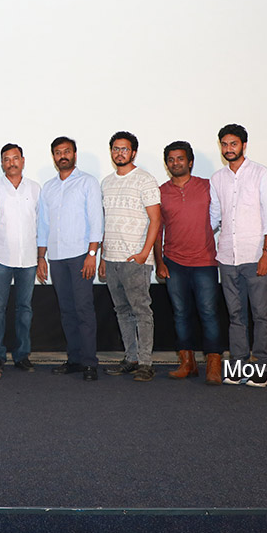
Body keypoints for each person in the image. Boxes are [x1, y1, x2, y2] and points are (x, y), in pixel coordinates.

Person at [209, 125, 267, 387]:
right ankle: (238, 366)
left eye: (234, 144)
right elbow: (215, 217)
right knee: (235, 315)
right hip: (227, 257)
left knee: (260, 315)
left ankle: (262, 367)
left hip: (255, 255)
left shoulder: (261, 173)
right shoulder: (217, 178)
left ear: (244, 145)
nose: (229, 149)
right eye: (225, 144)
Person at [155, 142, 226, 385]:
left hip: (204, 261)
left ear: (190, 162)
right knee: (180, 313)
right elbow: (157, 230)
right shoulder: (161, 191)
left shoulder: (207, 186)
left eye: (180, 158)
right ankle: (187, 362)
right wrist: (159, 262)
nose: (176, 163)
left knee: (209, 312)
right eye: (171, 159)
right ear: (167, 164)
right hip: (173, 262)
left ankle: (214, 364)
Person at [38, 136, 104, 381]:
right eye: (58, 152)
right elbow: (43, 225)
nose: (62, 156)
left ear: (75, 155)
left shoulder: (88, 182)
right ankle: (74, 359)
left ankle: (89, 363)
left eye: (66, 151)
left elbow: (97, 220)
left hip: (80, 256)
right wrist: (41, 257)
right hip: (56, 257)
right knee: (66, 311)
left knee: (83, 309)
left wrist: (92, 254)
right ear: (53, 157)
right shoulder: (48, 187)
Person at [99, 131, 161, 382]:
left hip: (135, 259)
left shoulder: (145, 180)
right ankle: (131, 358)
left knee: (141, 311)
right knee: (122, 311)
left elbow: (156, 220)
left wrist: (144, 253)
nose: (119, 153)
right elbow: (106, 221)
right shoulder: (106, 182)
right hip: (111, 258)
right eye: (115, 149)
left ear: (133, 152)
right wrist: (103, 256)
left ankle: (146, 362)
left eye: (124, 149)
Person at [0, 143, 40, 372]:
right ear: (2, 163)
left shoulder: (35, 189)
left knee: (24, 309)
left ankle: (22, 355)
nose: (12, 163)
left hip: (28, 258)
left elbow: (41, 224)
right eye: (7, 159)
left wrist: (41, 256)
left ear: (23, 160)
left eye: (15, 158)